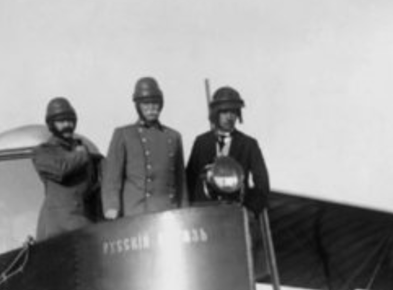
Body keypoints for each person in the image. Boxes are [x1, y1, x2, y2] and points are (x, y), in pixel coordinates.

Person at [101, 77, 185, 220]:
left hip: (168, 213)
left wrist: (184, 211)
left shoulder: (173, 136)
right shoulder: (124, 134)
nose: (151, 108)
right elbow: (112, 178)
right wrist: (111, 207)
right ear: (138, 106)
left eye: (155, 103)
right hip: (137, 213)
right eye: (146, 103)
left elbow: (181, 182)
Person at [185, 86, 270, 214]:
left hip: (236, 215)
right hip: (204, 215)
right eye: (224, 112)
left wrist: (250, 211)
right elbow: (189, 180)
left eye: (233, 112)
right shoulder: (201, 142)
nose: (229, 117)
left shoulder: (249, 144)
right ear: (215, 114)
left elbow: (262, 185)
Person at [31, 97, 100, 240]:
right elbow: (61, 170)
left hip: (82, 221)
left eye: (70, 120)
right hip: (59, 228)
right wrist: (81, 154)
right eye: (61, 121)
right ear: (51, 125)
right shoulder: (43, 152)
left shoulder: (83, 151)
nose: (67, 125)